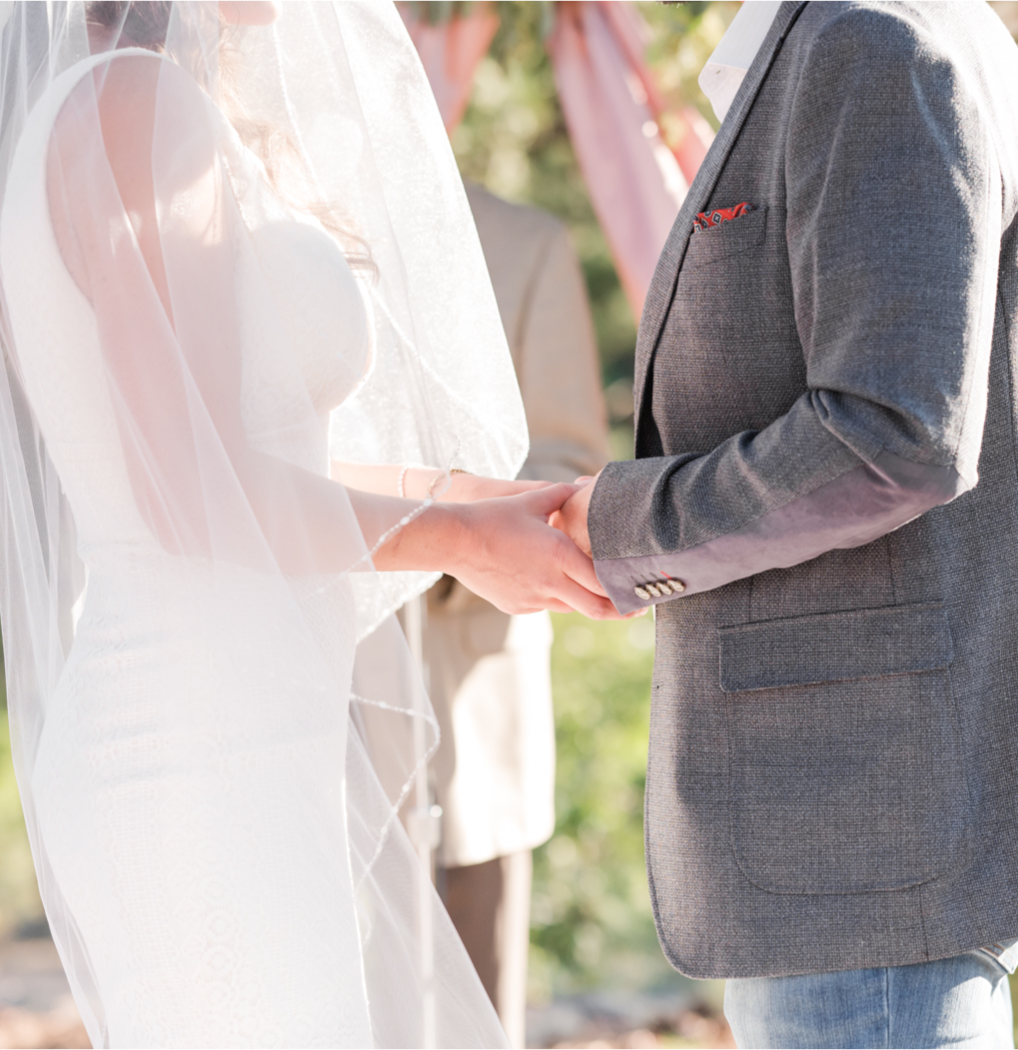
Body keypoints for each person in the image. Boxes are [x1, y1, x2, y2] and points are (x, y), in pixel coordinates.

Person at [0, 2, 616, 1046]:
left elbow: (247, 463)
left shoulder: (118, 99)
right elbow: (190, 497)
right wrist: (459, 542)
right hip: (195, 744)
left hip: (231, 729)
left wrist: (479, 506)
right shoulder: (134, 108)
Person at [553, 2, 1018, 1047]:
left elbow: (890, 435)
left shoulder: (875, 44)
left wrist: (622, 529)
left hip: (861, 835)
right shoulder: (882, 32)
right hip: (860, 838)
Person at [425, 183, 610, 1049]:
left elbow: (570, 461)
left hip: (467, 696)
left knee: (469, 1008)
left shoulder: (525, 243)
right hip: (302, 708)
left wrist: (430, 538)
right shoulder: (262, 214)